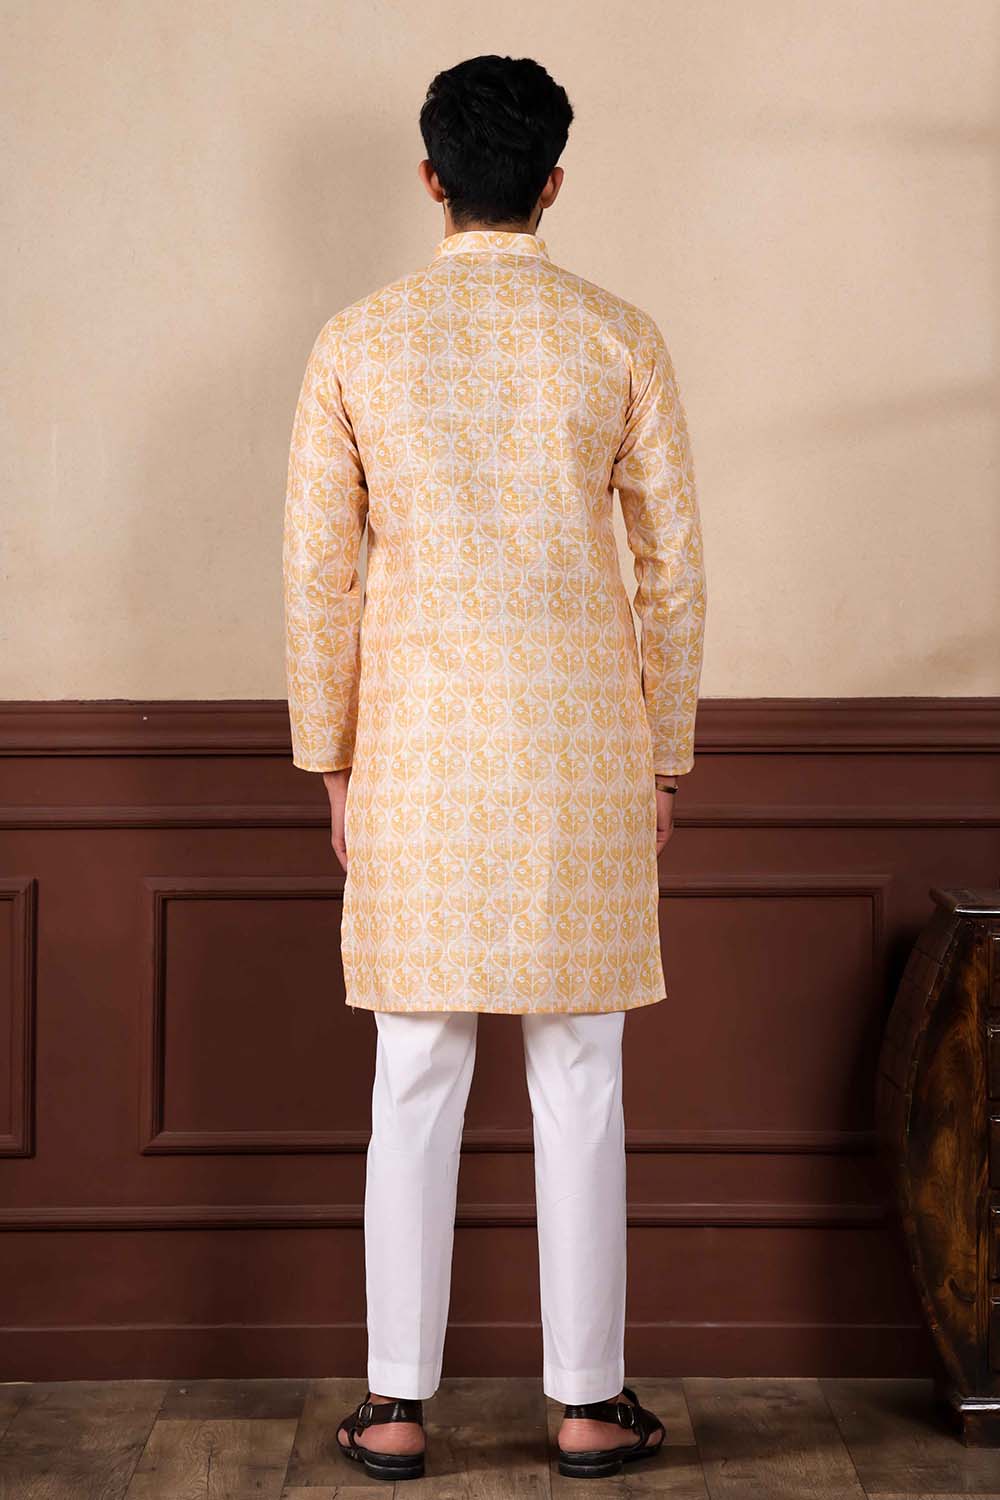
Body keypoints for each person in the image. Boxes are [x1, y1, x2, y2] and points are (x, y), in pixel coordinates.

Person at [282, 52, 707, 1483]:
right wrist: (663, 754)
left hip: (412, 754)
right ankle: (587, 1404)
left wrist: (331, 763)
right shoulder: (619, 337)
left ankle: (396, 1405)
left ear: (432, 178)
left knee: (414, 1072)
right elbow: (672, 569)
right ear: (553, 182)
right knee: (582, 1074)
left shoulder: (358, 342)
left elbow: (318, 579)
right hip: (584, 754)